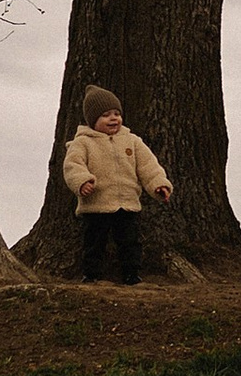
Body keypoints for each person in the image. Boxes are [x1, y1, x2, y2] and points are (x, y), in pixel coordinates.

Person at [61, 83, 174, 284]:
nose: (113, 118)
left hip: (127, 203)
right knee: (94, 241)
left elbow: (148, 166)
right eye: (106, 115)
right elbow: (73, 166)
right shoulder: (83, 142)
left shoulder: (132, 141)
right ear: (93, 120)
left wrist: (159, 185)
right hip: (96, 204)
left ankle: (132, 274)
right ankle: (91, 275)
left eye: (116, 114)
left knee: (130, 241)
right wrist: (82, 182)